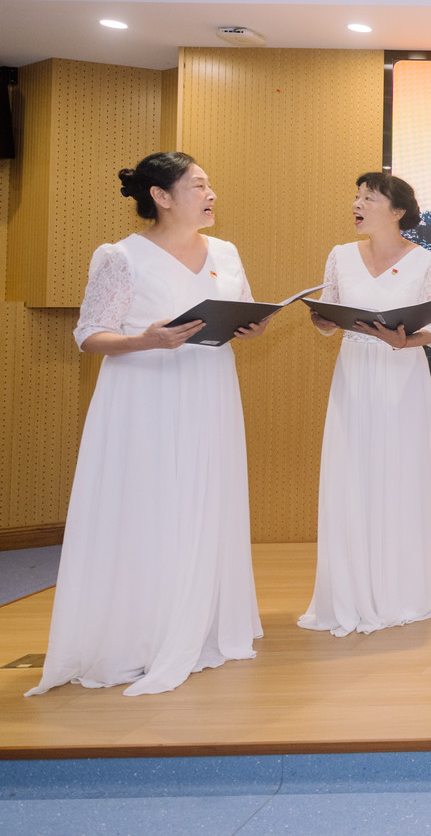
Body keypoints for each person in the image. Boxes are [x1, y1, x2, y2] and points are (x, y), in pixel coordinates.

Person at [29, 153, 266, 696]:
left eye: (210, 184)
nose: (211, 194)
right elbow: (90, 335)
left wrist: (250, 325)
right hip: (144, 397)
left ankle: (200, 622)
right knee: (148, 505)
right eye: (198, 185)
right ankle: (140, 635)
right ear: (161, 196)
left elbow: (241, 309)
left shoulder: (226, 252)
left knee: (204, 498)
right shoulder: (121, 256)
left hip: (210, 389)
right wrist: (145, 339)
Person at [299, 172, 431, 636]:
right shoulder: (340, 256)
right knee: (353, 474)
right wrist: (323, 320)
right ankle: (350, 591)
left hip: (402, 374)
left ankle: (401, 591)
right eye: (357, 197)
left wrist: (405, 340)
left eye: (369, 198)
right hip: (354, 372)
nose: (358, 204)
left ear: (398, 211)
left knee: (400, 475)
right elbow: (329, 317)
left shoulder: (428, 261)